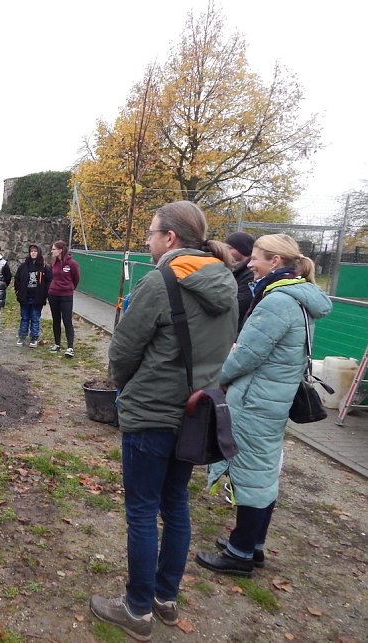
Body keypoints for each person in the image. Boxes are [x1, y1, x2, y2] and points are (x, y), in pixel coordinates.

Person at [90, 201, 237, 640]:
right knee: (175, 506)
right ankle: (164, 599)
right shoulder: (227, 283)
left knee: (142, 510)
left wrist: (125, 385)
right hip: (194, 414)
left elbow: (122, 352)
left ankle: (136, 610)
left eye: (151, 233)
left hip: (152, 414)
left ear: (170, 238)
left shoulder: (161, 280)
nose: (148, 241)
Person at [196, 234, 331, 578]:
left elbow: (246, 355)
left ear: (275, 261)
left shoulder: (277, 302)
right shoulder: (298, 297)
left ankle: (240, 553)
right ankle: (252, 546)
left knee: (252, 476)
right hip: (273, 400)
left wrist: (212, 378)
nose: (250, 263)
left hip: (255, 403)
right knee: (263, 473)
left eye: (255, 257)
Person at [47, 240, 80, 357]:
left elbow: (76, 279)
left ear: (60, 250)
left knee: (67, 321)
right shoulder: (53, 262)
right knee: (56, 320)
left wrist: (69, 288)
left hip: (66, 296)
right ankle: (57, 344)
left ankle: (70, 347)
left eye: (54, 249)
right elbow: (51, 276)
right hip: (53, 294)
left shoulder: (72, 263)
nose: (52, 251)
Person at [14, 244, 51, 348]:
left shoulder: (44, 267)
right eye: (31, 251)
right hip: (25, 297)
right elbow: (17, 279)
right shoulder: (23, 266)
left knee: (35, 318)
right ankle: (22, 336)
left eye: (35, 251)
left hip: (37, 298)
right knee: (24, 318)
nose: (33, 253)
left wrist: (45, 294)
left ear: (38, 252)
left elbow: (48, 281)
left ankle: (34, 338)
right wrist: (18, 291)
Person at [223, 232, 256, 333]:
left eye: (230, 248)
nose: (226, 251)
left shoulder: (251, 273)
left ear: (242, 249)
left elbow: (240, 303)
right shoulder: (234, 269)